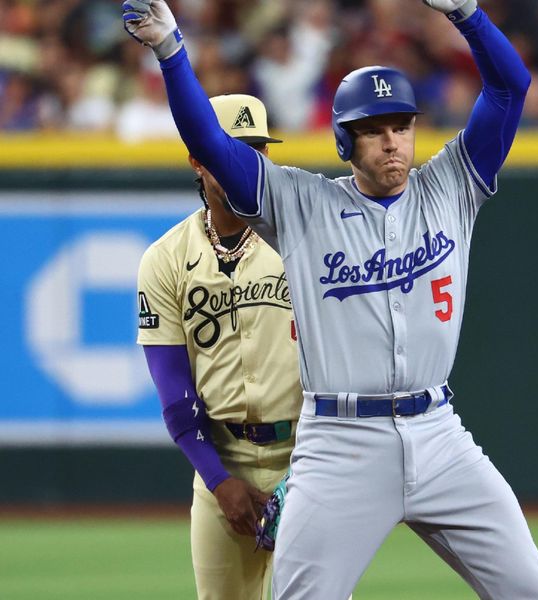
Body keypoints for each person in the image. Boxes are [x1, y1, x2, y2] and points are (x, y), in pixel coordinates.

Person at [124, 0, 538, 598]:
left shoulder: (452, 184)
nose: (392, 143)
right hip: (340, 444)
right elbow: (210, 142)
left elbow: (511, 89)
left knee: (535, 593)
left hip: (439, 432)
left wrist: (468, 15)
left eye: (401, 126)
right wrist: (173, 52)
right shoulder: (302, 206)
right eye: (374, 130)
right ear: (343, 141)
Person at [136, 92, 301, 600]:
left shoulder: (303, 239)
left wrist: (307, 471)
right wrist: (218, 480)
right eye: (232, 150)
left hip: (308, 457)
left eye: (256, 151)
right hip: (221, 462)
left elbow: (340, 367)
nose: (245, 164)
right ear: (198, 159)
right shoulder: (164, 259)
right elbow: (174, 392)